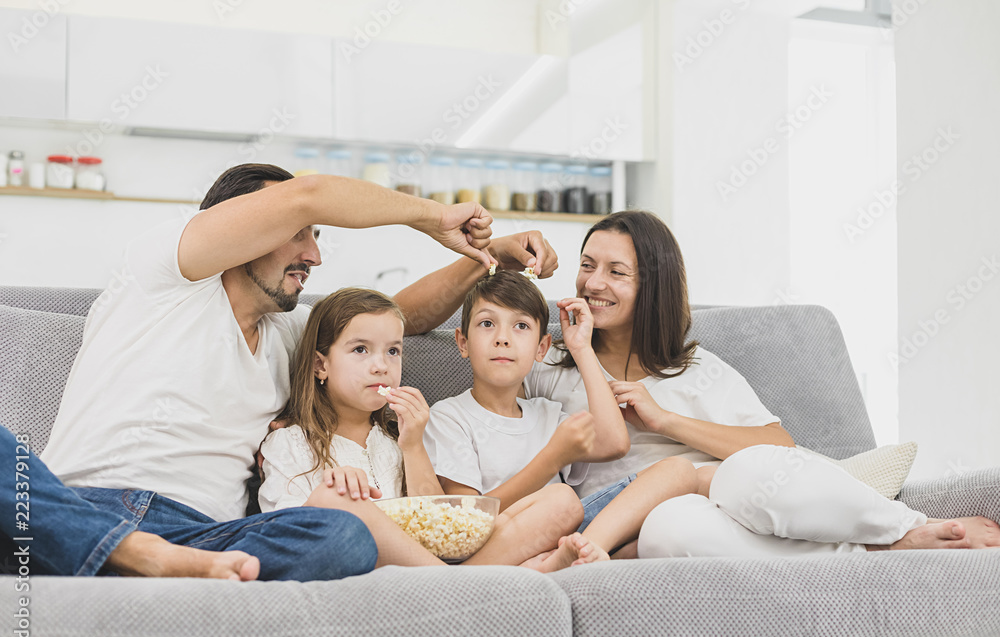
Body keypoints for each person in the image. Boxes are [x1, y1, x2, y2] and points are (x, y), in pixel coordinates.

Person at [12, 163, 559, 580]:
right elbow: (309, 192)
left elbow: (395, 319)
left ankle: (143, 558)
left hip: (206, 537)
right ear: (240, 229)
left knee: (344, 533)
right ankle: (127, 550)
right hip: (80, 506)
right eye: (300, 232)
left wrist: (485, 262)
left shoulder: (289, 340)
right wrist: (434, 216)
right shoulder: (161, 276)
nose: (314, 255)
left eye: (316, 236)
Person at [523, 209, 1000, 557]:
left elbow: (777, 444)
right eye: (587, 265)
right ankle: (878, 550)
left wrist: (665, 420)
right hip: (655, 522)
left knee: (748, 470)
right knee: (669, 531)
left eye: (616, 272)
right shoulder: (551, 366)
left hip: (736, 495)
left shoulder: (695, 367)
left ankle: (907, 526)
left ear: (653, 286)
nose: (593, 283)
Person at [258, 287, 602, 570]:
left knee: (563, 500)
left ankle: (462, 581)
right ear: (321, 365)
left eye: (393, 351)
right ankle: (470, 582)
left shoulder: (399, 438)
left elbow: (439, 529)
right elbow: (287, 535)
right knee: (338, 500)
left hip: (427, 564)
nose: (381, 366)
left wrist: (413, 444)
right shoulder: (288, 442)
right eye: (361, 350)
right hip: (356, 562)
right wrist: (333, 498)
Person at [425, 270, 700, 566]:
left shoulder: (547, 413)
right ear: (463, 342)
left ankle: (584, 549)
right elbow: (466, 521)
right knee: (561, 500)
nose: (502, 339)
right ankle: (543, 563)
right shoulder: (448, 416)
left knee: (680, 471)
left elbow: (614, 443)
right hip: (498, 544)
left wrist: (581, 348)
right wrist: (552, 459)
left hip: (566, 533)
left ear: (541, 348)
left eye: (520, 326)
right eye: (487, 324)